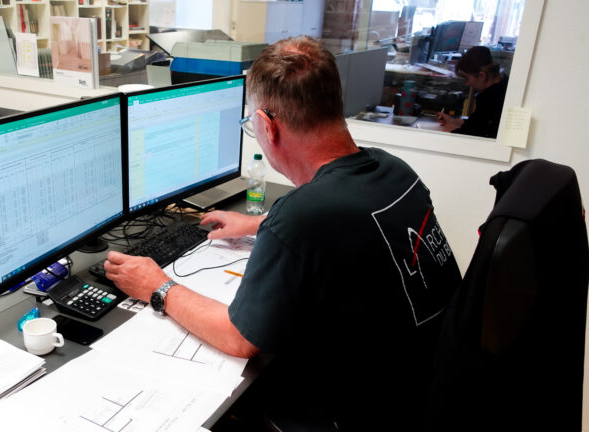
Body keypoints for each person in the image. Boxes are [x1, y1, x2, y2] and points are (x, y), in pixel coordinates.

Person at [104, 36, 461, 430]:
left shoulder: (303, 216)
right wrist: (261, 223)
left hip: (350, 413)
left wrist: (157, 286)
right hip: (423, 388)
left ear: (267, 126)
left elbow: (239, 337)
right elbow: (355, 227)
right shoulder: (394, 169)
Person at [437, 46, 508, 138]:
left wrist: (451, 131)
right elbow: (477, 123)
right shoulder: (501, 85)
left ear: (482, 76)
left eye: (467, 78)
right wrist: (453, 121)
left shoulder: (490, 98)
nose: (467, 84)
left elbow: (476, 133)